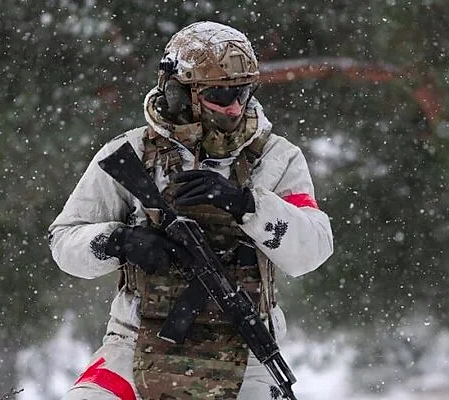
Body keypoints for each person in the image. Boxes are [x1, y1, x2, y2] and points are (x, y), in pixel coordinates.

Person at [49, 21, 333, 400]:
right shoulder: (130, 154)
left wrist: (248, 205)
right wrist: (118, 241)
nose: (234, 106)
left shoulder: (276, 158)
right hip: (135, 344)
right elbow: (64, 241)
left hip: (246, 352)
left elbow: (313, 250)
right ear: (181, 94)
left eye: (242, 92)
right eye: (219, 94)